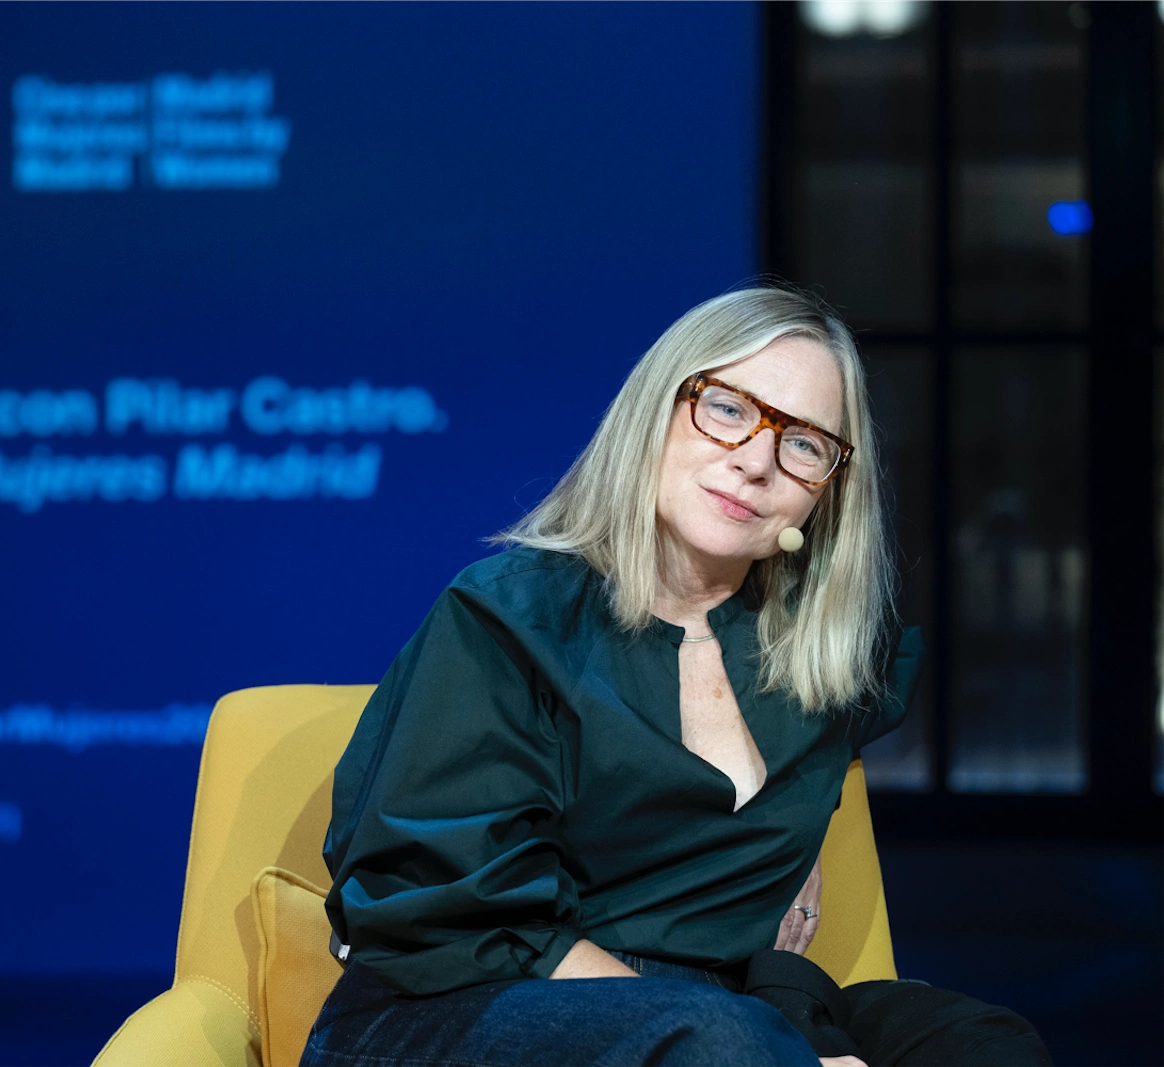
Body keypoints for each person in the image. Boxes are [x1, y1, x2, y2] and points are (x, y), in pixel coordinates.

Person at [303, 288, 1051, 1067]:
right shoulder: (508, 619)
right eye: (728, 408)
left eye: (804, 444)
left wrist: (802, 847)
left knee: (986, 1045)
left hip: (717, 1011)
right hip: (465, 1003)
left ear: (826, 490)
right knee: (722, 1043)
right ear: (657, 411)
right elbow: (458, 913)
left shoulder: (818, 660)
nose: (756, 461)